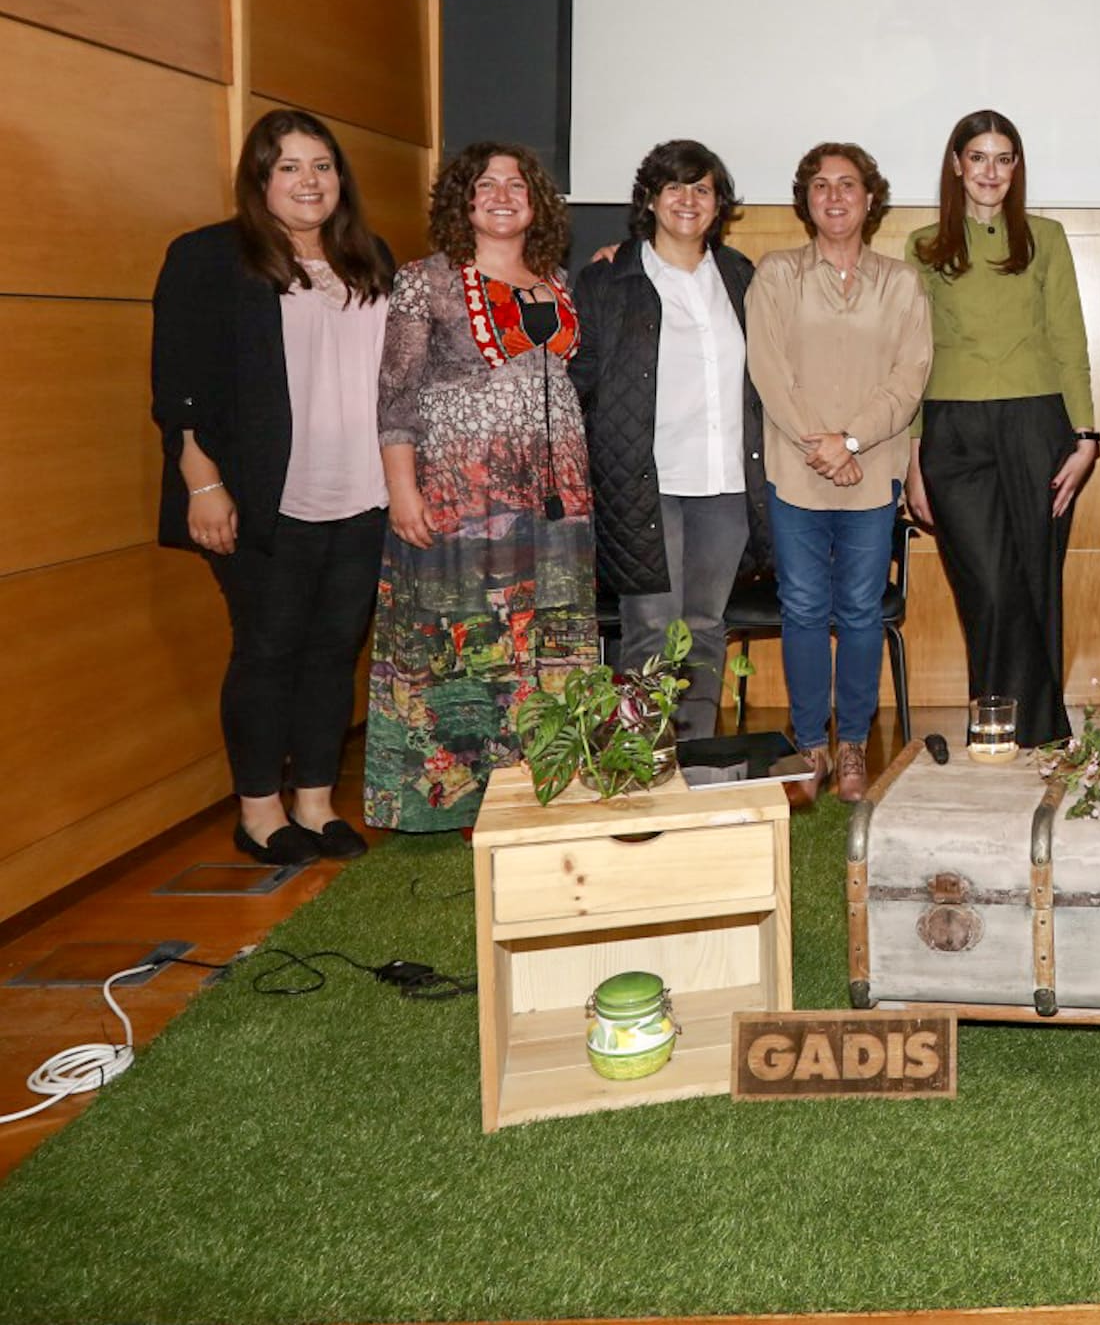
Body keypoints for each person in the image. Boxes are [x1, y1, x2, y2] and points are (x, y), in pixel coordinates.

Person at [151, 109, 394, 866]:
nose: (308, 180)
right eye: (288, 166)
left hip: (361, 495)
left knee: (331, 651)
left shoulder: (367, 256)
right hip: (262, 499)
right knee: (265, 649)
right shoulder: (209, 257)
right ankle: (259, 812)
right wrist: (202, 484)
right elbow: (179, 387)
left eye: (321, 165)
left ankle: (316, 804)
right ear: (260, 178)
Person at [366, 143, 599, 831]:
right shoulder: (426, 281)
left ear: (538, 203)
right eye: (485, 184)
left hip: (555, 497)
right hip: (460, 498)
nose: (502, 194)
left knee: (543, 636)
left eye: (517, 184)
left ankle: (543, 781)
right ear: (461, 201)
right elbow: (395, 394)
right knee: (466, 638)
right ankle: (453, 799)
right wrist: (401, 490)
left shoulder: (556, 279)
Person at [904, 110, 1096, 747]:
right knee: (986, 587)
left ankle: (1023, 734)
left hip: (1037, 425)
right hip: (953, 433)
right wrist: (912, 459)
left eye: (1004, 158)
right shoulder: (924, 245)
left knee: (1035, 582)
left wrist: (1086, 438)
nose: (991, 171)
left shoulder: (1047, 237)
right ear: (957, 164)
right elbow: (914, 353)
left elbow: (1069, 340)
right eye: (979, 157)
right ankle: (1005, 724)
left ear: (1017, 169)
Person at [746, 143, 932, 803]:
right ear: (806, 199)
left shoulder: (900, 282)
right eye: (819, 185)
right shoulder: (776, 275)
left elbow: (909, 378)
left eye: (847, 184)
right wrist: (818, 443)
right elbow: (769, 369)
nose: (833, 196)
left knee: (858, 611)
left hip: (871, 470)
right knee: (801, 608)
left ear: (870, 198)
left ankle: (852, 744)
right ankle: (809, 748)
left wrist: (850, 439)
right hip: (796, 473)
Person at [573, 141, 769, 741]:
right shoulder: (610, 277)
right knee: (652, 629)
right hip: (644, 483)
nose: (688, 200)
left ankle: (697, 757)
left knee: (707, 625)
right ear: (652, 199)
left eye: (702, 188)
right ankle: (642, 761)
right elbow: (582, 383)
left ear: (719, 204)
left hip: (726, 483)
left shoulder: (739, 275)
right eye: (675, 187)